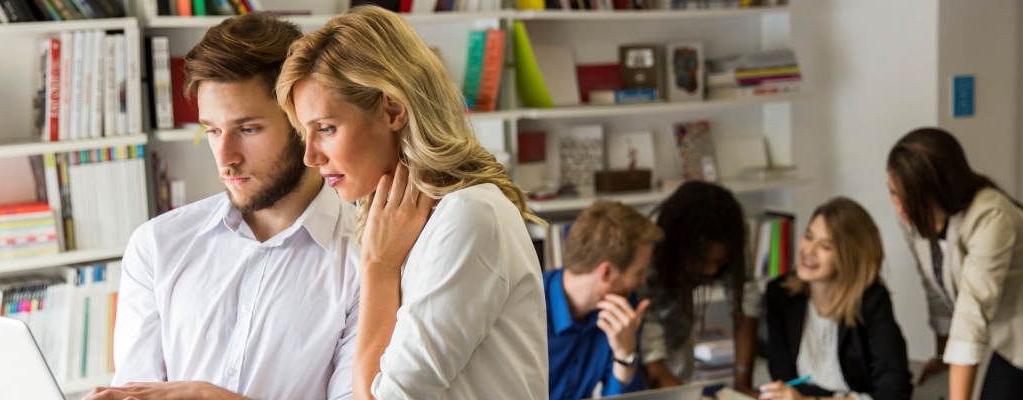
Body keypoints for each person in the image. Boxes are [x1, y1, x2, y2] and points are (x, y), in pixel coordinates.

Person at [275, 5, 548, 399]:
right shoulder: (393, 223)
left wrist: (379, 268)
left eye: (327, 129)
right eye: (306, 133)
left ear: (393, 110)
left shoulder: (468, 216)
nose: (311, 157)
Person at [85, 13, 359, 400]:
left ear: (305, 124)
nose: (225, 156)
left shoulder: (368, 259)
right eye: (212, 130)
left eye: (248, 129)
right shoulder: (158, 245)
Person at [887, 127, 1023, 400]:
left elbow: (971, 315)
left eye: (908, 195)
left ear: (937, 188)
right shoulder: (914, 219)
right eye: (892, 192)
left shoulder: (990, 217)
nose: (899, 206)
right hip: (1014, 337)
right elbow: (936, 284)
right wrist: (942, 354)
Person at [760, 197, 912, 400]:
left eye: (825, 246)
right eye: (808, 236)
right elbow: (783, 378)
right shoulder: (780, 294)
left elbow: (894, 391)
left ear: (850, 257)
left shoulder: (872, 302)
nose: (809, 251)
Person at [638, 181, 761, 393]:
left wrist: (742, 383)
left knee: (681, 374)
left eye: (721, 262)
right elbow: (653, 360)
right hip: (635, 339)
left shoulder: (730, 229)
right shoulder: (646, 248)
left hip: (678, 331)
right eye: (702, 261)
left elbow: (746, 301)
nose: (712, 271)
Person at [545, 201, 662, 400]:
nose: (643, 280)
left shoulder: (623, 308)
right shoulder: (522, 308)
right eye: (639, 272)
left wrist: (625, 356)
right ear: (606, 272)